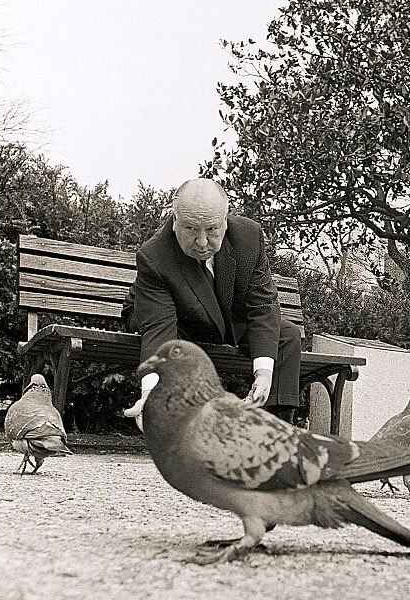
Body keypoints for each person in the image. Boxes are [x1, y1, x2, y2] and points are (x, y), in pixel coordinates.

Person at [122, 178, 301, 429]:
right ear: (175, 222)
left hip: (222, 319)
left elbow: (262, 307)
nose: (203, 242)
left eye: (212, 230)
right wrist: (150, 393)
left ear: (225, 222)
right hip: (167, 317)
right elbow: (159, 330)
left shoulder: (249, 238)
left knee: (287, 335)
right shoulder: (155, 257)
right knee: (177, 341)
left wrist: (264, 373)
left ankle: (274, 429)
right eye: (191, 230)